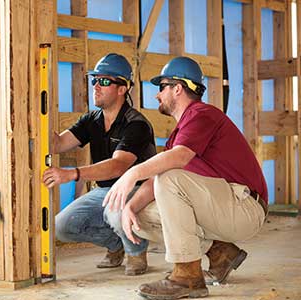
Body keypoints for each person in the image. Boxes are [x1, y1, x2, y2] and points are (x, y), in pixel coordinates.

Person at [103, 56, 268, 299]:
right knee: (136, 214)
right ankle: (220, 253)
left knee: (169, 179)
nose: (157, 95)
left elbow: (177, 161)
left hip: (246, 209)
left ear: (177, 88)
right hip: (223, 207)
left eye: (161, 87)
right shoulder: (180, 132)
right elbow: (154, 181)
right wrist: (130, 206)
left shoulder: (202, 114)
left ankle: (187, 277)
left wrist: (132, 173)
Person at [43, 53, 156, 276]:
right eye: (94, 80)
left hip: (137, 189)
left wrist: (72, 174)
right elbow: (58, 144)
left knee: (115, 213)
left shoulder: (136, 124)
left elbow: (118, 166)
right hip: (105, 191)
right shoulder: (91, 120)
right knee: (62, 227)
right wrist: (36, 113)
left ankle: (136, 251)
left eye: (104, 81)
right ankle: (115, 245)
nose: (96, 86)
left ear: (122, 88)